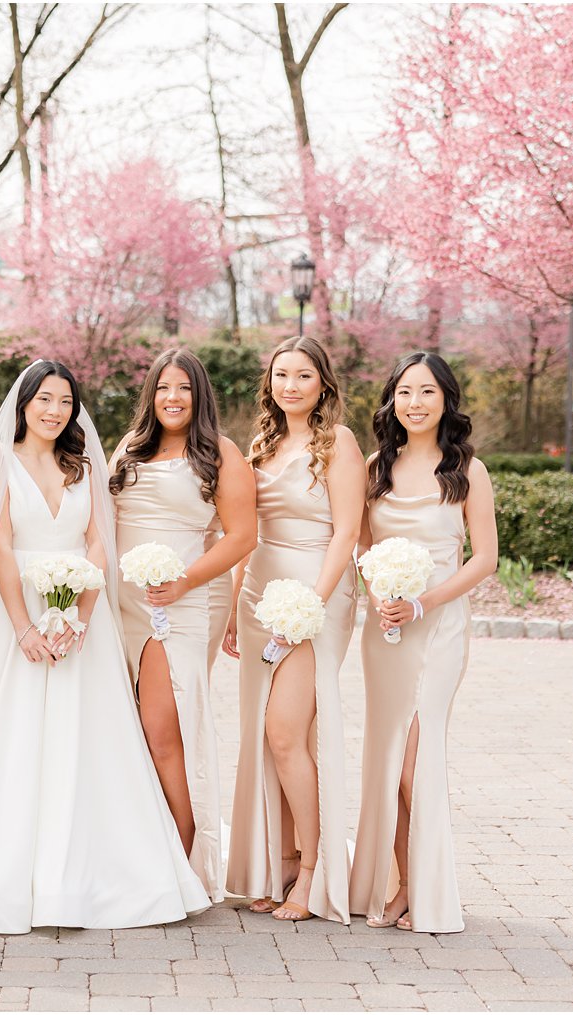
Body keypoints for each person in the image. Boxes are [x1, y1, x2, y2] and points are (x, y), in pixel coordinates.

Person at [0, 360, 211, 934]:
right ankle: (17, 875)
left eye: (64, 401)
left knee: (90, 739)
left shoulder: (82, 464)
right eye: (44, 399)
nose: (54, 410)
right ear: (24, 403)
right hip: (21, 612)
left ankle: (100, 874)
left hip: (82, 618)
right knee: (21, 737)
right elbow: (1, 548)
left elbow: (99, 543)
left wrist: (80, 618)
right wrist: (26, 629)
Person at [349, 351, 496, 934]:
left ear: (446, 401)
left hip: (438, 628)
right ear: (392, 399)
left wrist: (422, 601)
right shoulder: (373, 466)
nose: (415, 402)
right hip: (384, 629)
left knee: (415, 761)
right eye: (405, 391)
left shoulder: (467, 470)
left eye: (428, 392)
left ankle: (417, 887)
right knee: (387, 760)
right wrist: (380, 588)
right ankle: (398, 883)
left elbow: (485, 558)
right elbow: (359, 545)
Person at [224, 336, 362, 923]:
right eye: (281, 375)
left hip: (316, 591)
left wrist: (314, 603)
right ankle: (278, 862)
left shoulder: (341, 444)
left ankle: (313, 869)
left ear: (322, 385)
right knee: (269, 737)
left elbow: (347, 532)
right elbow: (244, 532)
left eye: (303, 376)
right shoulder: (262, 444)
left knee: (286, 733)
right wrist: (234, 606)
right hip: (260, 590)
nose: (290, 385)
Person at [109, 349, 256, 902]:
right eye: (163, 388)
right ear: (151, 394)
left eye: (185, 389)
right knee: (135, 736)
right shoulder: (129, 447)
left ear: (201, 396)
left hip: (180, 604)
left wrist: (185, 582)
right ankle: (148, 854)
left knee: (169, 735)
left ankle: (185, 864)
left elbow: (243, 537)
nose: (173, 398)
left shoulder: (220, 454)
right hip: (121, 608)